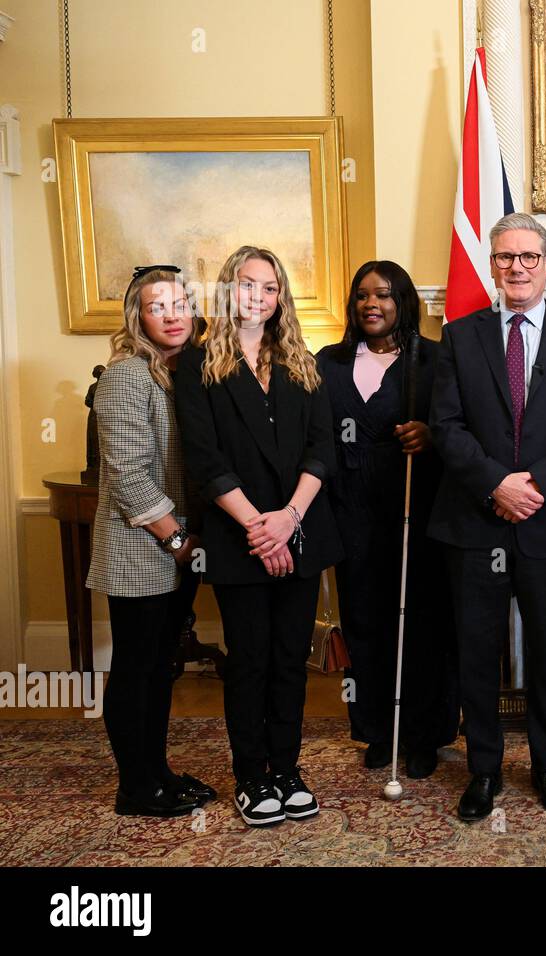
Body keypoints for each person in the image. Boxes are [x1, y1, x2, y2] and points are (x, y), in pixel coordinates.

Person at [430, 212, 546, 822]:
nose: (518, 267)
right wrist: (495, 485)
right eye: (506, 257)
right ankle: (483, 770)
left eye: (529, 257)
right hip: (474, 522)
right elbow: (445, 429)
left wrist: (532, 485)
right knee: (476, 652)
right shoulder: (459, 335)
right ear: (493, 265)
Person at [174, 245, 345, 827]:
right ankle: (252, 775)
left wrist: (289, 519)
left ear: (281, 298)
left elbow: (324, 449)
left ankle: (287, 769)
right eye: (247, 285)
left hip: (300, 529)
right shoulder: (198, 366)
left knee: (290, 660)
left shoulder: (304, 363)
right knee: (249, 660)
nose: (258, 296)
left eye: (269, 287)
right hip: (238, 537)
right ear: (228, 290)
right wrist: (258, 525)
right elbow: (204, 458)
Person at [316, 261, 457, 779]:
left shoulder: (434, 360)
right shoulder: (326, 362)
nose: (371, 304)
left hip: (415, 505)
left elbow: (463, 428)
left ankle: (424, 734)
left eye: (384, 294)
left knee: (421, 621)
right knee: (364, 619)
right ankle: (377, 729)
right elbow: (312, 434)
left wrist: (432, 435)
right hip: (348, 506)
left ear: (404, 302)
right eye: (361, 295)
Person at [86, 265, 216, 817]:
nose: (172, 314)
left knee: (163, 664)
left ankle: (157, 770)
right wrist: (182, 542)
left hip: (176, 550)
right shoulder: (125, 375)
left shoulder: (184, 373)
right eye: (157, 306)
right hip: (142, 551)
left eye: (180, 303)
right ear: (136, 317)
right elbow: (127, 475)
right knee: (137, 667)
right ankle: (135, 788)